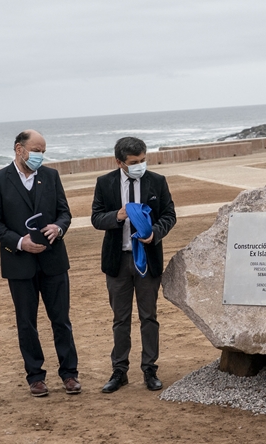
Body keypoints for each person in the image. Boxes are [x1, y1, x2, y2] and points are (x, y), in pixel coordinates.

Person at [0, 130, 79, 397]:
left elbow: (65, 213)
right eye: (36, 150)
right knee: (26, 322)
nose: (40, 156)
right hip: (19, 263)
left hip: (53, 261)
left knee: (61, 320)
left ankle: (69, 374)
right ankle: (35, 377)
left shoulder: (51, 176)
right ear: (19, 149)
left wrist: (58, 228)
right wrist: (19, 242)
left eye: (43, 152)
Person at [90, 137, 177, 393]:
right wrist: (117, 216)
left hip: (147, 260)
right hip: (118, 262)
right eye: (133, 162)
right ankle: (119, 371)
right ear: (119, 162)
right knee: (121, 319)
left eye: (142, 160)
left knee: (149, 316)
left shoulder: (157, 181)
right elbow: (96, 218)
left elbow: (169, 215)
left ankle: (150, 369)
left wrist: (155, 233)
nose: (140, 165)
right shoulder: (104, 183)